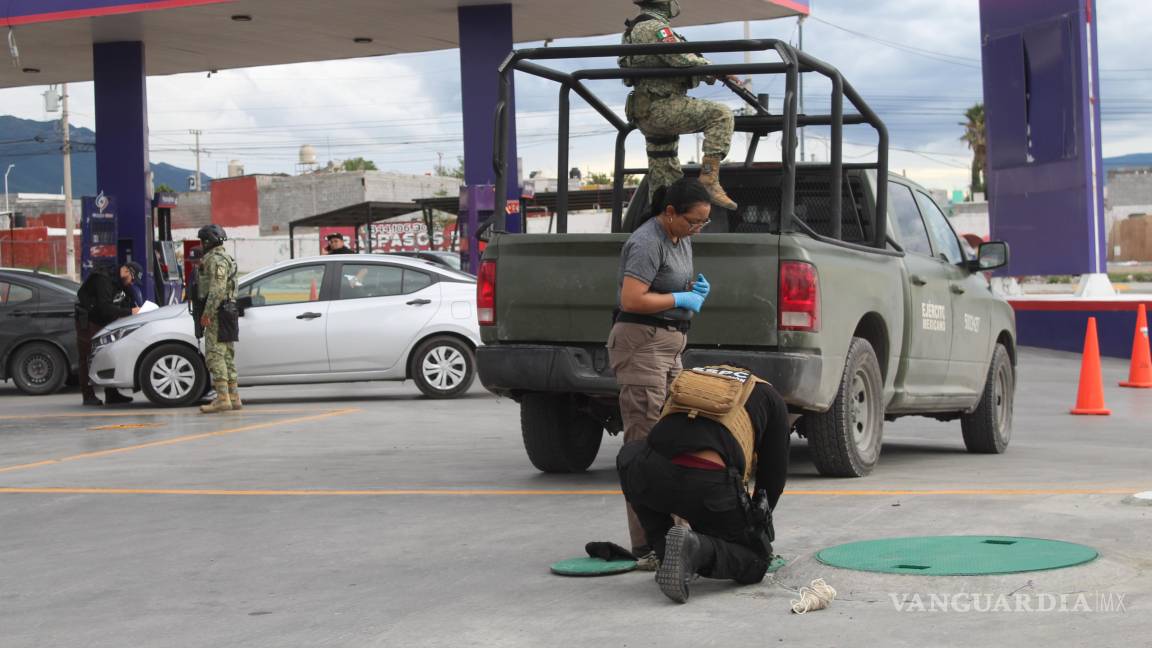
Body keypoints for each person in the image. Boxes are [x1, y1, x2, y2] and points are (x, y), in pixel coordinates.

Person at [616, 365, 791, 603]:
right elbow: (773, 480)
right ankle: (694, 549)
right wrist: (753, 528)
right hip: (710, 487)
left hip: (651, 474)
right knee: (755, 561)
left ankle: (666, 549)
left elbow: (662, 435)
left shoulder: (691, 377)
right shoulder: (772, 398)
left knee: (630, 455)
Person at [608, 176, 712, 568]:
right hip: (642, 345)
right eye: (693, 222)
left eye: (703, 223)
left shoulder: (679, 238)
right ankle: (649, 545)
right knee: (645, 446)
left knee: (674, 438)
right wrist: (678, 298)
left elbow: (672, 282)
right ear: (670, 213)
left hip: (671, 344)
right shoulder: (645, 242)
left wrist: (693, 293)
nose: (697, 230)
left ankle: (676, 534)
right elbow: (632, 297)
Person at [619, 0, 738, 210]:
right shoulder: (655, 28)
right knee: (721, 115)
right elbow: (680, 58)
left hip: (645, 110)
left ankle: (660, 214)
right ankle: (709, 180)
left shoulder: (633, 28)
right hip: (663, 107)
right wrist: (717, 70)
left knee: (664, 172)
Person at [75, 265, 139, 406]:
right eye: (131, 279)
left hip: (105, 321)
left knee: (109, 354)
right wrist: (130, 312)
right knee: (88, 357)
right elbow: (105, 307)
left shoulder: (119, 282)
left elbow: (122, 302)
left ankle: (112, 394)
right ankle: (88, 396)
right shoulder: (102, 280)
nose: (131, 283)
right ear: (125, 271)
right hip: (89, 321)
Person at [195, 224, 241, 414]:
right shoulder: (225, 258)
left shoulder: (215, 260)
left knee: (215, 355)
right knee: (228, 355)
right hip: (228, 310)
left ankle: (223, 398)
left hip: (218, 312)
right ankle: (233, 397)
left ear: (207, 241)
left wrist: (207, 313)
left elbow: (217, 288)